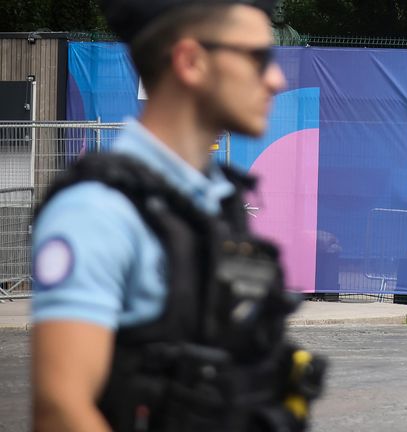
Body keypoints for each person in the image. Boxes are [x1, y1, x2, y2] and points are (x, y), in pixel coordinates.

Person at [31, 1, 324, 431]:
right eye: (258, 58)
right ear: (191, 61)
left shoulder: (217, 203)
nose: (276, 79)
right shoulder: (97, 212)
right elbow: (61, 410)